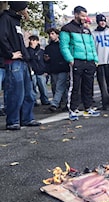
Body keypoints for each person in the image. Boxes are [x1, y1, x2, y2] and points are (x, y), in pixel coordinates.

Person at [0, 1, 41, 130]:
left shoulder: (16, 20)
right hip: (13, 62)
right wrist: (10, 54)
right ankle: (13, 121)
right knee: (16, 93)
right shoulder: (5, 19)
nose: (26, 10)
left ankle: (26, 118)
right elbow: (1, 37)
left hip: (23, 61)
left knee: (28, 93)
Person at [60, 6, 99, 121]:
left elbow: (92, 45)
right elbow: (64, 46)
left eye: (85, 16)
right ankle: (72, 109)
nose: (84, 18)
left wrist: (95, 59)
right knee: (75, 86)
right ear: (75, 14)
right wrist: (70, 59)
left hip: (89, 61)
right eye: (82, 16)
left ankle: (88, 107)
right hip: (76, 60)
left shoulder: (86, 30)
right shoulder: (66, 29)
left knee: (88, 85)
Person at [44, 28, 70, 112]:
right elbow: (46, 60)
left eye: (52, 34)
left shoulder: (62, 45)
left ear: (57, 35)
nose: (51, 36)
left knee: (60, 86)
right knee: (57, 87)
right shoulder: (48, 47)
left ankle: (54, 104)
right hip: (53, 69)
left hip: (63, 68)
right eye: (50, 34)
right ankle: (65, 103)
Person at [27, 35, 51, 107]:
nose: (32, 42)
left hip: (41, 72)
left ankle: (45, 100)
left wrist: (46, 71)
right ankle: (33, 101)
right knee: (33, 88)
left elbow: (47, 62)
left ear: (37, 42)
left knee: (43, 87)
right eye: (31, 40)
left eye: (34, 40)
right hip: (32, 72)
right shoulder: (27, 51)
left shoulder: (42, 51)